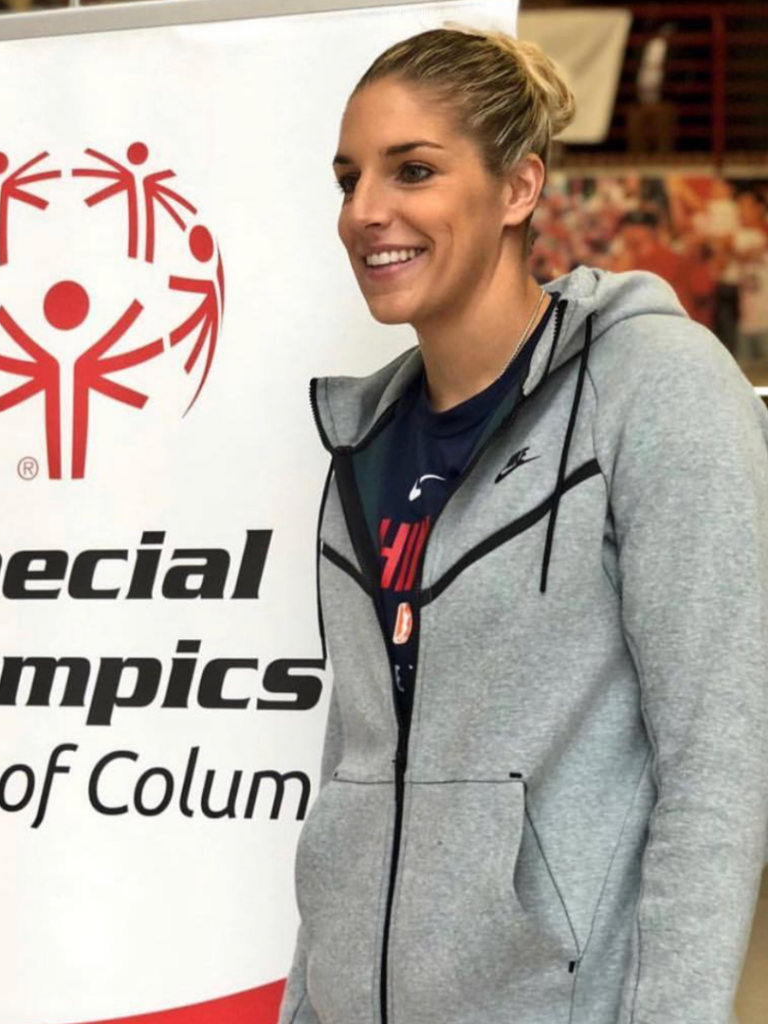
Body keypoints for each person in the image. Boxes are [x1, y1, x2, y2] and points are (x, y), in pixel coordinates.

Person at [278, 26, 768, 1024]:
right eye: (348, 178)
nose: (365, 212)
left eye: (412, 169)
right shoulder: (360, 444)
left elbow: (719, 765)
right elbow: (353, 774)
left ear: (517, 188)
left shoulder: (656, 390)